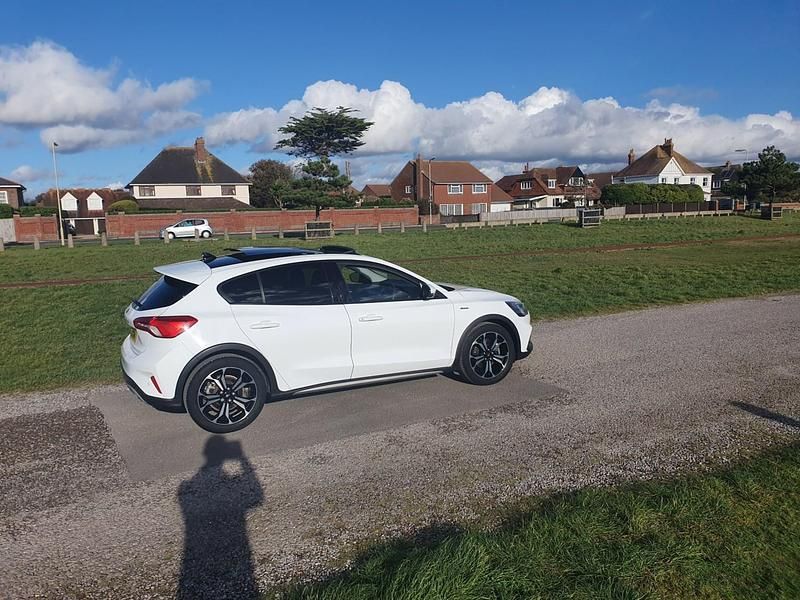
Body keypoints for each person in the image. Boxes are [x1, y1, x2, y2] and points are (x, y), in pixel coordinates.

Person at [177, 436, 264, 599]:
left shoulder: (185, 487)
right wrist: (243, 460)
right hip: (236, 543)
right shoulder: (188, 487)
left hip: (195, 549)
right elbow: (257, 497)